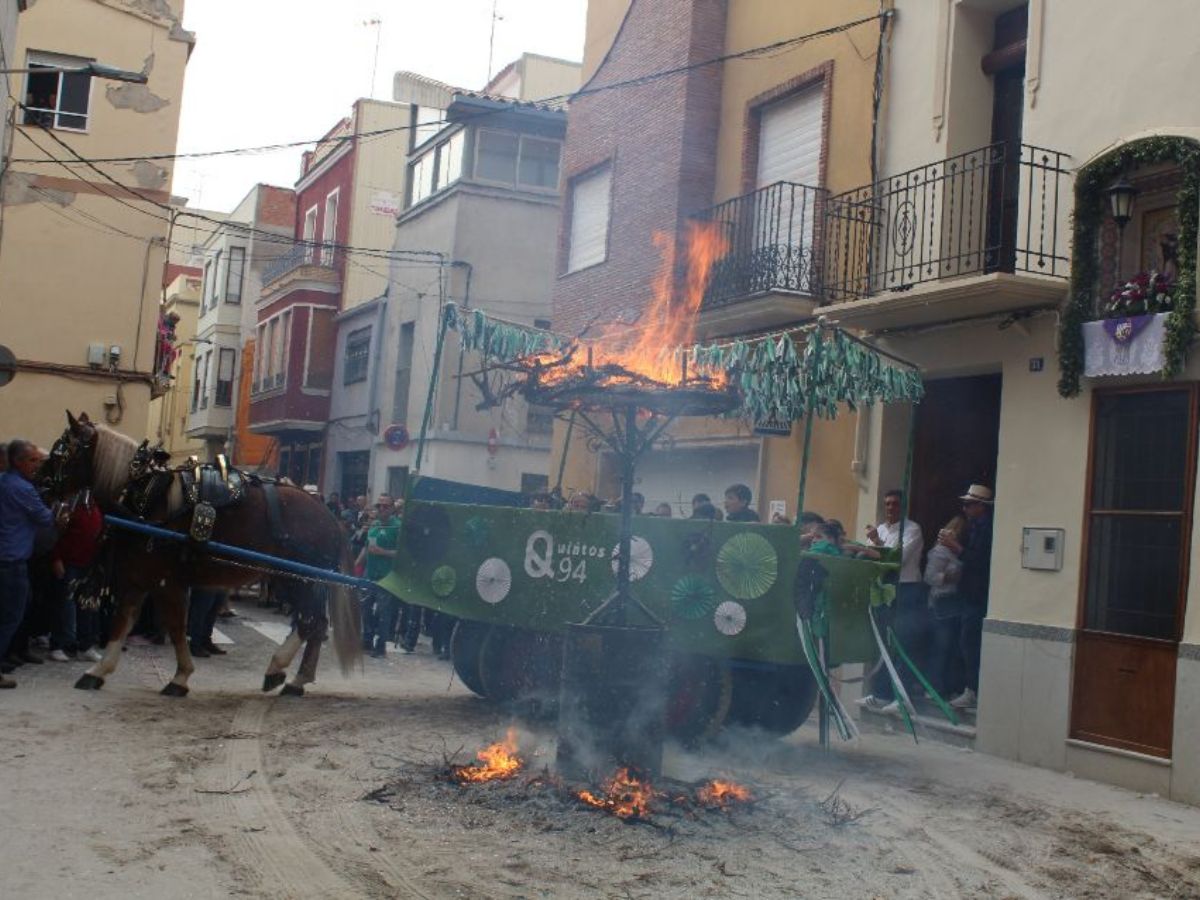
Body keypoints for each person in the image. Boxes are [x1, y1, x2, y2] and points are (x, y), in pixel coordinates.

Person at [857, 489, 926, 714]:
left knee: (902, 643)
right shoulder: (881, 529)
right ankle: (881, 694)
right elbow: (866, 554)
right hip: (884, 590)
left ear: (902, 507)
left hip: (906, 589)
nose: (890, 508)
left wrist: (876, 543)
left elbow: (898, 558)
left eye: (894, 504)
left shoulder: (912, 529)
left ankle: (903, 697)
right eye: (886, 504)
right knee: (884, 643)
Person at [0, 440, 54, 688]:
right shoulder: (22, 488)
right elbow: (45, 519)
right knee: (11, 617)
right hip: (12, 562)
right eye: (33, 460)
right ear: (18, 461)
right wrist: (63, 512)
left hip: (8, 559)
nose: (37, 465)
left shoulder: (4, 482)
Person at [937, 484, 994, 710]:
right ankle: (965, 687)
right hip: (967, 592)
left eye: (969, 504)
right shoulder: (973, 527)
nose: (965, 508)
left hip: (977, 594)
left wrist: (956, 547)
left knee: (970, 642)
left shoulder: (986, 529)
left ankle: (973, 690)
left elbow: (979, 560)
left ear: (981, 506)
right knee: (963, 641)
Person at [47, 488, 104, 662]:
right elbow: (55, 533)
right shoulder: (68, 504)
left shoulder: (96, 503)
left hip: (88, 564)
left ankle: (85, 644)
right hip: (69, 562)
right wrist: (56, 559)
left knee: (87, 605)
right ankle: (60, 644)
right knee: (65, 604)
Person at [924, 515, 967, 697]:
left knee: (952, 647)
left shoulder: (959, 551)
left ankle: (949, 686)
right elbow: (930, 577)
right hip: (943, 601)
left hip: (955, 602)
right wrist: (950, 577)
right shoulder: (941, 552)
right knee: (942, 645)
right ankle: (935, 687)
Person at [363, 495, 400, 657]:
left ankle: (381, 645)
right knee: (365, 608)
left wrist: (383, 552)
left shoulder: (398, 527)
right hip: (370, 573)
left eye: (386, 506)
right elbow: (368, 548)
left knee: (383, 612)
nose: (382, 509)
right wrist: (355, 564)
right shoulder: (375, 525)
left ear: (392, 508)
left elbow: (402, 554)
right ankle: (367, 639)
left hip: (387, 577)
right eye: (379, 506)